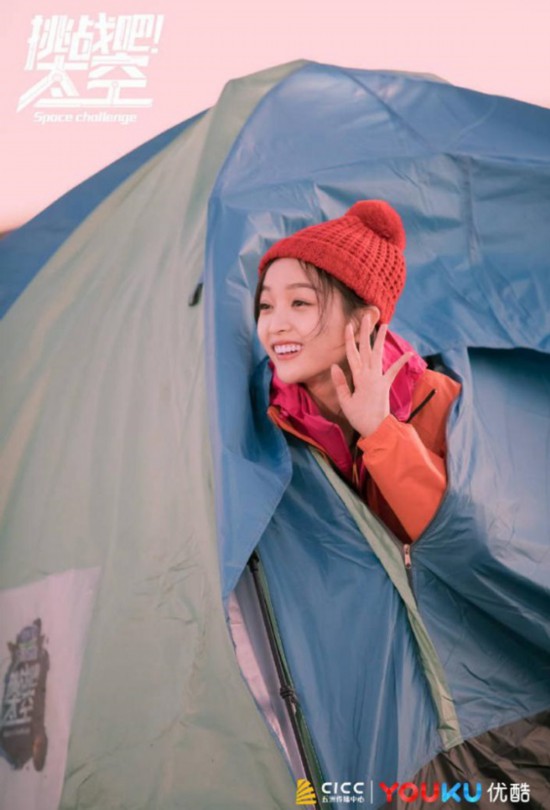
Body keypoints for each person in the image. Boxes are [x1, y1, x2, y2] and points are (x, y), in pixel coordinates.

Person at [254, 199, 461, 546]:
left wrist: (381, 432)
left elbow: (458, 541)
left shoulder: (440, 401)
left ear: (364, 320)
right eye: (265, 306)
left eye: (300, 303)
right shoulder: (264, 418)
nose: (275, 325)